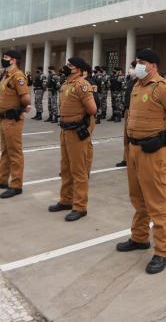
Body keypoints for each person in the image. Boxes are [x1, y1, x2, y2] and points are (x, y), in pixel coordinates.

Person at [116, 49, 166, 275]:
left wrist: (163, 136)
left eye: (141, 62)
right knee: (137, 197)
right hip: (134, 149)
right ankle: (139, 237)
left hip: (153, 150)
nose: (137, 66)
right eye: (137, 63)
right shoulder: (137, 85)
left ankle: (163, 251)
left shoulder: (163, 87)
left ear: (153, 65)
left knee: (156, 200)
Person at [48, 57, 97, 221]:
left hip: (77, 132)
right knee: (66, 168)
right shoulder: (66, 84)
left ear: (79, 69)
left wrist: (84, 125)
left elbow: (92, 109)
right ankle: (66, 200)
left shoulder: (82, 85)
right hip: (65, 131)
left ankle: (80, 206)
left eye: (70, 65)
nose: (66, 67)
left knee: (79, 170)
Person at [0, 50, 31, 199]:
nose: (3, 60)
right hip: (3, 118)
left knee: (14, 152)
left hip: (12, 119)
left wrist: (22, 108)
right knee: (5, 150)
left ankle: (16, 185)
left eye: (6, 58)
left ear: (14, 60)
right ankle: (2, 180)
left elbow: (26, 98)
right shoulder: (7, 76)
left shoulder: (18, 76)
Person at [116, 60, 138, 168]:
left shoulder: (140, 82)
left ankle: (133, 159)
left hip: (135, 112)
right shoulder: (130, 81)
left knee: (133, 137)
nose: (130, 70)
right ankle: (126, 159)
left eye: (132, 67)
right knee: (126, 137)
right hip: (127, 110)